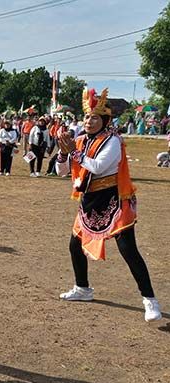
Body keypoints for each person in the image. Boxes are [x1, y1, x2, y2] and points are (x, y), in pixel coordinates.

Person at [56, 88, 162, 323]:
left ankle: (150, 300)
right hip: (90, 201)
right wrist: (63, 155)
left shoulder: (112, 141)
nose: (89, 121)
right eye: (86, 117)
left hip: (115, 200)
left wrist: (74, 153)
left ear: (105, 120)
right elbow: (62, 172)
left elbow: (97, 167)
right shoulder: (80, 140)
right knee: (75, 246)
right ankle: (82, 288)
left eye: (94, 117)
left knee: (128, 250)